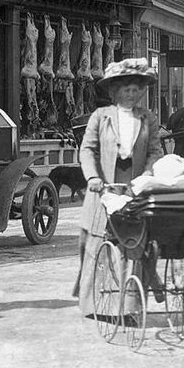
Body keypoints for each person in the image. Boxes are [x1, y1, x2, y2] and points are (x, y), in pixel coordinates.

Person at [72, 58, 164, 317]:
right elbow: (87, 150)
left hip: (134, 187)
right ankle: (94, 306)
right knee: (98, 242)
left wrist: (147, 174)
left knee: (134, 245)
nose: (132, 95)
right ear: (115, 92)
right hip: (104, 188)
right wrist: (92, 178)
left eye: (136, 90)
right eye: (126, 90)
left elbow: (155, 151)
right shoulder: (100, 117)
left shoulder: (148, 118)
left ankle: (129, 307)